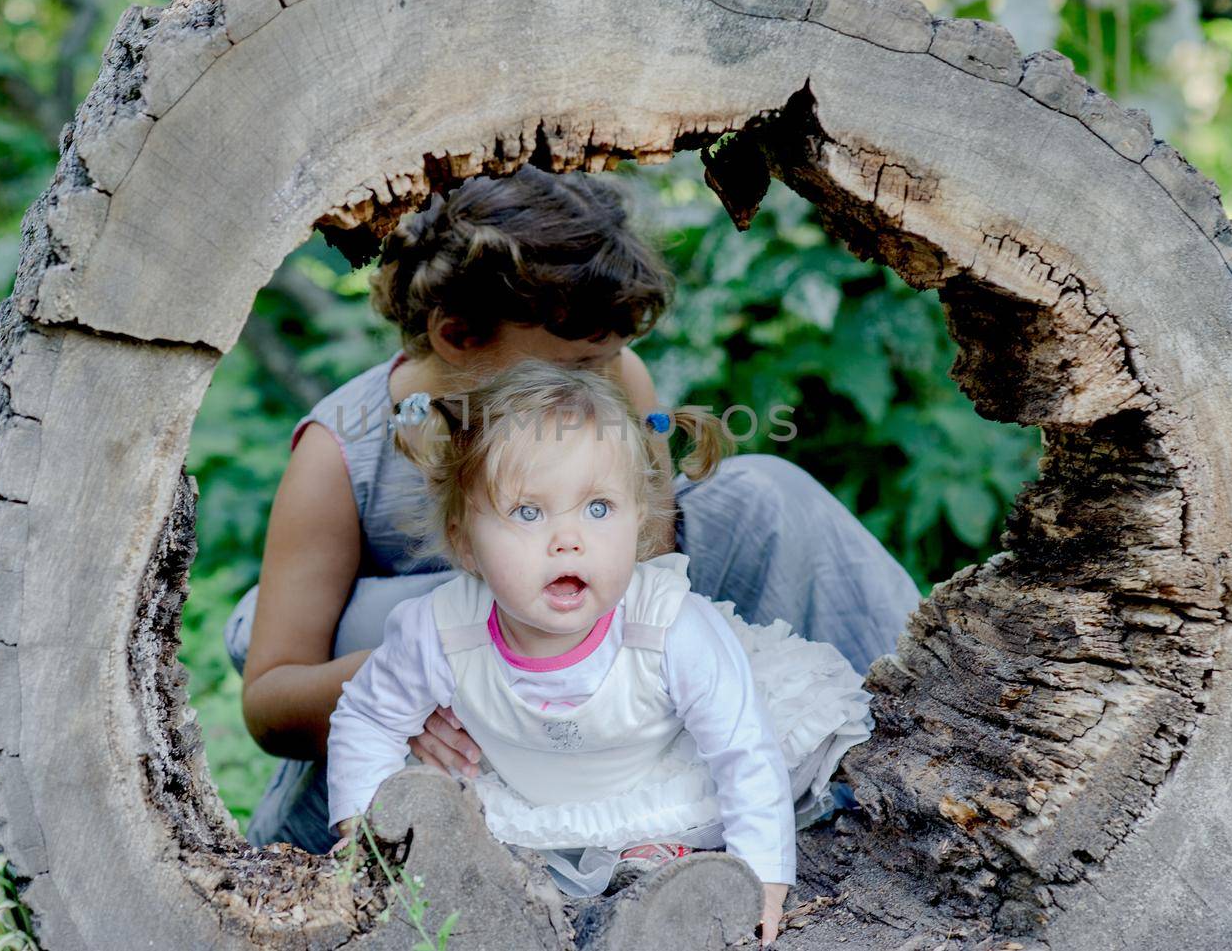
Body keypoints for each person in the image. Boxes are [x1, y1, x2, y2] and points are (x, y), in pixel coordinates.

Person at [227, 164, 921, 858]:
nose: (607, 380)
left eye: (612, 358)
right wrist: (425, 676)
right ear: (459, 335)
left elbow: (642, 583)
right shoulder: (342, 449)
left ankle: (912, 739)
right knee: (396, 610)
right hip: (437, 747)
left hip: (595, 730)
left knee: (761, 493)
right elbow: (269, 700)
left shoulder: (615, 384)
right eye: (580, 363)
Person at [327, 360, 875, 945]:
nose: (569, 539)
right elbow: (368, 718)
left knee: (689, 847)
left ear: (639, 522)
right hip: (526, 799)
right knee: (474, 882)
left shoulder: (668, 628)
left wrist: (764, 882)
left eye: (598, 508)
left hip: (661, 781)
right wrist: (363, 833)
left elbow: (743, 753)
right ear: (464, 543)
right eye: (527, 513)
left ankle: (663, 888)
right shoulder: (438, 630)